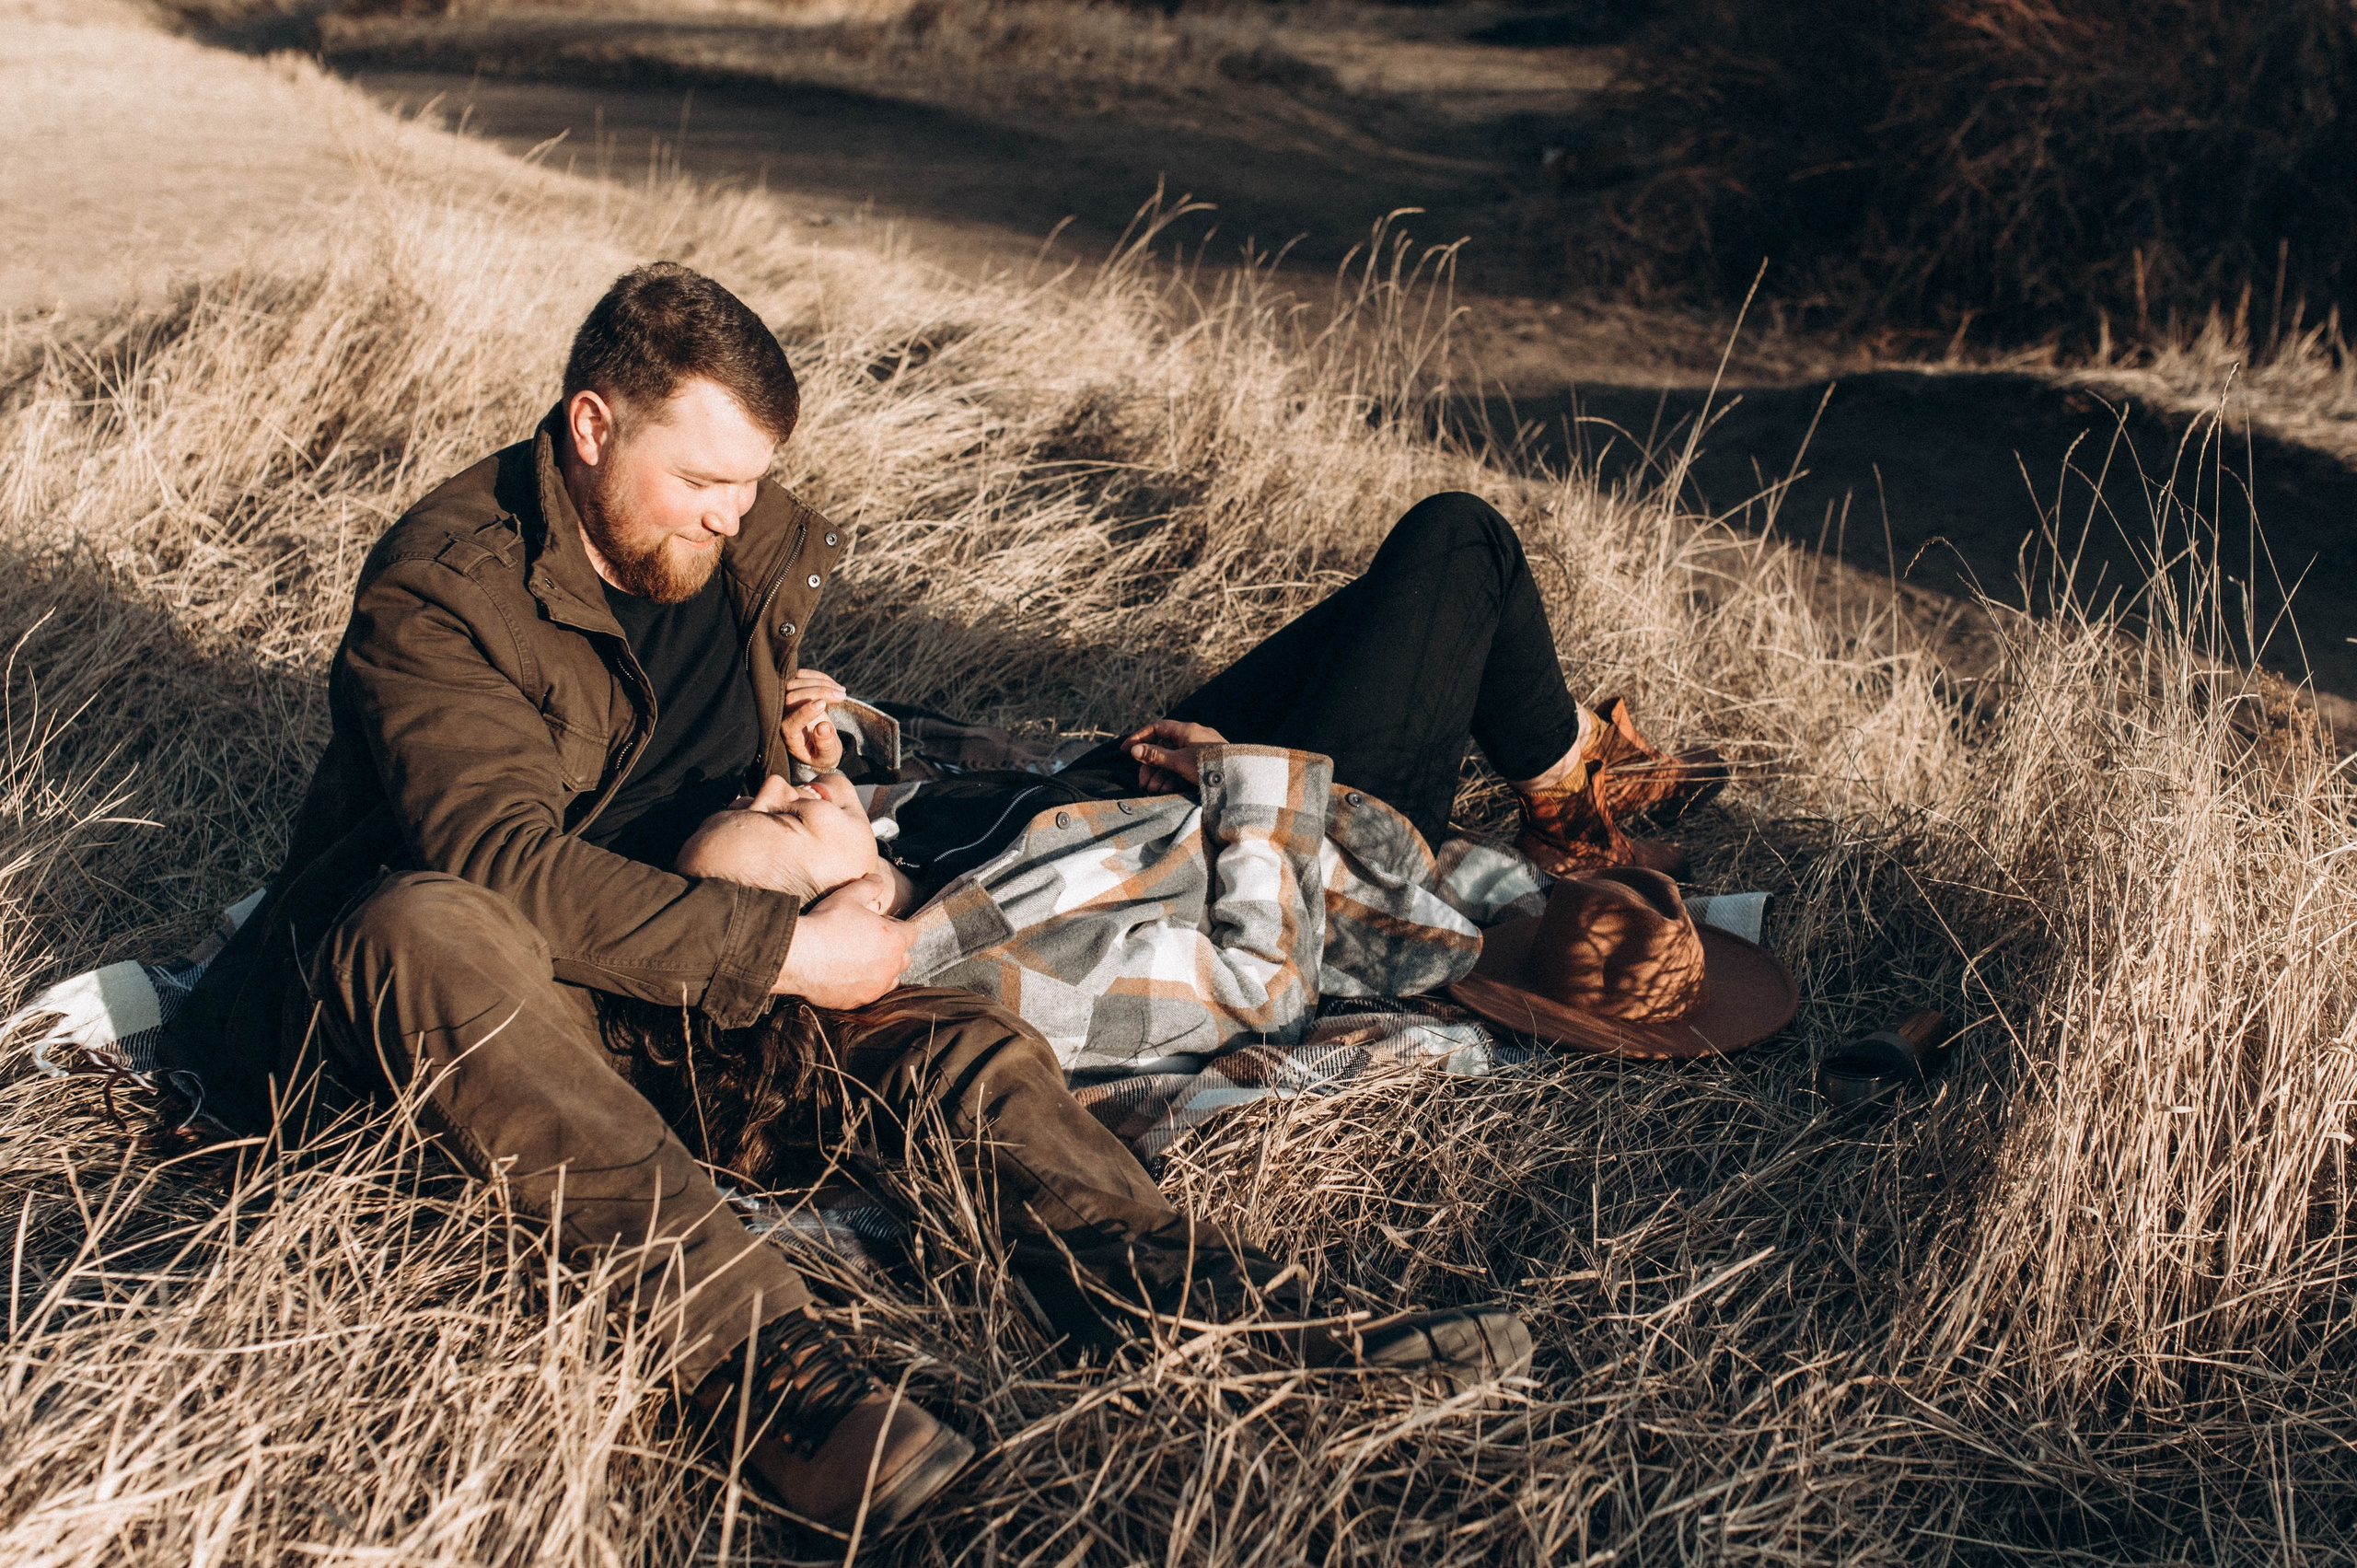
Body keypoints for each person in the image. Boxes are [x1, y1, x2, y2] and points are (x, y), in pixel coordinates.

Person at [156, 263, 1538, 1538]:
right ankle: (765, 1371)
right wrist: (794, 949)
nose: (732, 514)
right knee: (428, 921)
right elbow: (501, 864)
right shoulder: (444, 591)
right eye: (702, 478)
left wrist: (798, 770)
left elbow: (700, 750)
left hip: (689, 968)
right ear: (589, 425)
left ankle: (1197, 1296)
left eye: (753, 485)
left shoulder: (736, 550)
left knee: (955, 1046)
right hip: (498, 989)